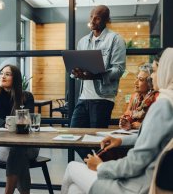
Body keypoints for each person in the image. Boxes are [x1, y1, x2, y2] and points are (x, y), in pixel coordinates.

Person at [61, 48, 173, 194]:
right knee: (74, 190)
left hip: (137, 187)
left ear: (167, 72)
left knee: (71, 167)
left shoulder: (163, 106)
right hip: (146, 183)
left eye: (155, 70)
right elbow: (152, 139)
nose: (152, 77)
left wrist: (101, 167)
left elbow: (135, 162)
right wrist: (120, 141)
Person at [70, 5, 126, 128]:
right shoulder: (83, 41)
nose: (92, 21)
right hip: (83, 97)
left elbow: (119, 69)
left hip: (103, 98)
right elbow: (77, 65)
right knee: (74, 136)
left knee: (96, 139)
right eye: (91, 17)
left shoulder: (116, 40)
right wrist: (76, 72)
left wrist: (97, 75)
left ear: (106, 20)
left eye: (97, 18)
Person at [0, 62, 39, 194]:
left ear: (15, 78)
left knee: (18, 148)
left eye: (7, 74)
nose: (2, 76)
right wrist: (8, 124)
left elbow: (26, 120)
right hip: (2, 147)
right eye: (1, 74)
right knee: (17, 150)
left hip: (29, 147)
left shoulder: (26, 97)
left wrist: (16, 123)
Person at [119, 63, 159, 130]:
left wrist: (142, 126)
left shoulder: (157, 98)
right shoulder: (134, 97)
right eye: (136, 78)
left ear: (150, 83)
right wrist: (126, 121)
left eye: (140, 80)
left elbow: (159, 124)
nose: (135, 82)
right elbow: (128, 114)